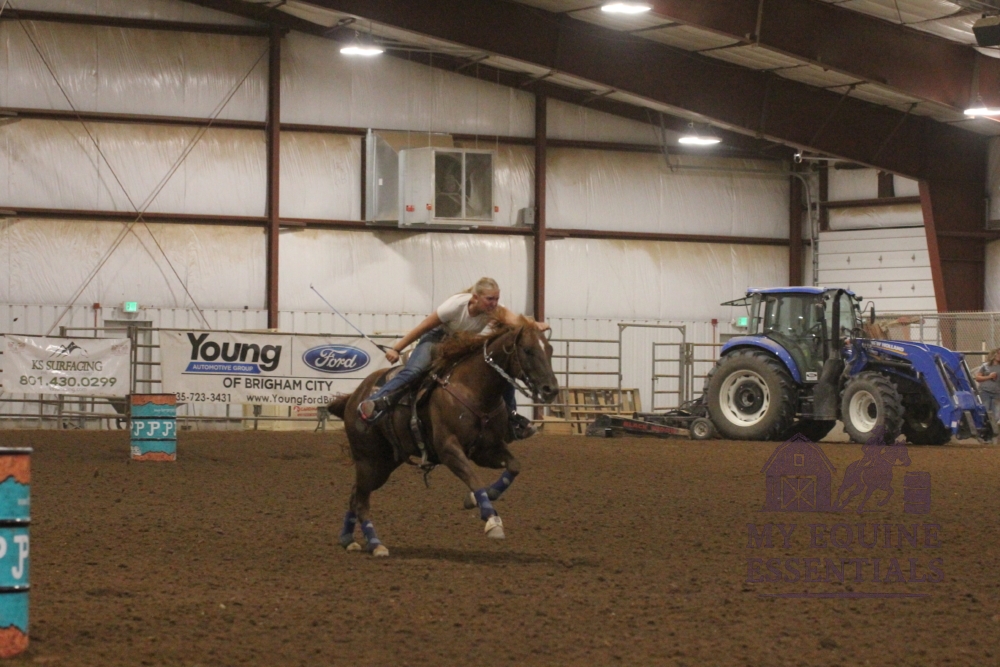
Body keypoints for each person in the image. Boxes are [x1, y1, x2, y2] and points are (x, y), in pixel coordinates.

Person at [358, 277, 549, 439]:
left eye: (496, 299)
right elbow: (423, 327)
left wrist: (534, 325)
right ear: (475, 298)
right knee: (414, 370)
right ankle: (374, 402)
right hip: (436, 338)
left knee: (501, 374)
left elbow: (516, 321)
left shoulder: (495, 310)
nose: (494, 303)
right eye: (490, 299)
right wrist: (397, 348)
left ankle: (511, 418)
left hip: (460, 343)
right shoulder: (455, 306)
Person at [974, 348, 1000, 428]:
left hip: (997, 393)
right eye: (998, 353)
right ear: (994, 354)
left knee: (996, 415)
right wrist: (989, 376)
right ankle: (982, 429)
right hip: (985, 392)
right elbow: (978, 378)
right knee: (984, 411)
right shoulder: (985, 366)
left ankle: (991, 430)